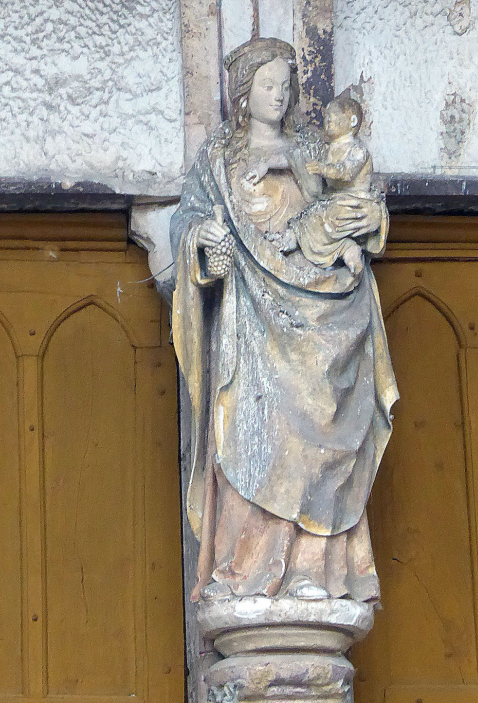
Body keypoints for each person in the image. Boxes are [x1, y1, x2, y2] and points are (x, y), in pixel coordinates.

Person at [170, 37, 398, 602]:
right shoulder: (221, 158)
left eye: (287, 86)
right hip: (253, 318)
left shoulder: (312, 149)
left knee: (323, 435)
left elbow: (357, 199)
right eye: (269, 86)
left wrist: (368, 218)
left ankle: (314, 571)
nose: (281, 95)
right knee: (255, 436)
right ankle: (247, 570)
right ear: (245, 94)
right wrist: (203, 240)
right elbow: (188, 222)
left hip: (326, 313)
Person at [287, 92, 377, 276]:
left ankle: (348, 252)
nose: (327, 121)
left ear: (352, 121)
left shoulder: (357, 150)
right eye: (326, 117)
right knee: (309, 217)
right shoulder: (327, 148)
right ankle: (341, 249)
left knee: (321, 218)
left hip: (353, 203)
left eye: (333, 117)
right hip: (333, 200)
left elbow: (346, 171)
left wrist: (323, 169)